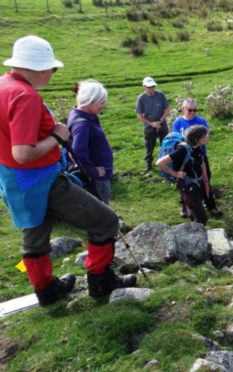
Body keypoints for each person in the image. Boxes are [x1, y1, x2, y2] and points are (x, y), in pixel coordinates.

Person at [0, 35, 135, 306]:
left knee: (34, 236)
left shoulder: (3, 85)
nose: (52, 73)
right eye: (52, 68)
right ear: (38, 67)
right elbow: (23, 153)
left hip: (13, 181)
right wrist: (58, 137)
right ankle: (100, 281)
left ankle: (47, 291)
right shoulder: (25, 96)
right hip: (43, 179)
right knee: (106, 221)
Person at [171, 98, 222, 217]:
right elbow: (176, 140)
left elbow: (206, 139)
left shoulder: (201, 121)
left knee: (205, 179)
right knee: (183, 183)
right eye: (190, 110)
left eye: (195, 110)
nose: (193, 112)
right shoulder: (177, 123)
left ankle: (211, 204)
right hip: (184, 158)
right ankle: (185, 206)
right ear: (183, 109)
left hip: (200, 155)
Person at [66, 79, 113, 204]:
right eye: (101, 102)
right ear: (90, 101)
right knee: (101, 208)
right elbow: (77, 152)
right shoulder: (82, 125)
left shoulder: (82, 115)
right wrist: (94, 171)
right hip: (95, 178)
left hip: (97, 174)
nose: (104, 105)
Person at [156, 125, 210, 225]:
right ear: (196, 138)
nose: (208, 138)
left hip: (197, 182)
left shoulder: (198, 146)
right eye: (205, 136)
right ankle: (197, 236)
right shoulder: (183, 150)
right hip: (187, 185)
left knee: (194, 212)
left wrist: (206, 181)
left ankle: (193, 229)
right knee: (201, 219)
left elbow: (201, 162)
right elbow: (160, 163)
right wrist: (176, 174)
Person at [135, 76, 169, 172]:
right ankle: (149, 164)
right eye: (149, 87)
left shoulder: (160, 95)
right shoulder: (141, 98)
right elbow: (139, 115)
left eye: (153, 86)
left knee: (165, 143)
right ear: (144, 87)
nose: (151, 89)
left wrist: (160, 121)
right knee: (149, 145)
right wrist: (151, 124)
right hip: (149, 124)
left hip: (161, 122)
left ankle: (165, 162)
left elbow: (167, 110)